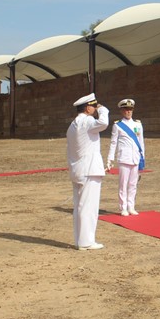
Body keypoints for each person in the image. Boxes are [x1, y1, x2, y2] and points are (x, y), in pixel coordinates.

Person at [66, 93, 109, 250]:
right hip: (89, 169)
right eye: (94, 106)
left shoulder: (72, 125)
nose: (95, 108)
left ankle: (80, 240)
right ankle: (86, 241)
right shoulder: (88, 121)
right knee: (89, 208)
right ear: (88, 107)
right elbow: (104, 123)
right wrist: (104, 109)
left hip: (78, 169)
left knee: (79, 207)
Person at [107, 98, 145, 216]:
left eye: (130, 109)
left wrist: (143, 157)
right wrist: (110, 159)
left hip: (135, 158)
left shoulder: (138, 124)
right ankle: (123, 207)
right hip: (124, 158)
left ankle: (131, 206)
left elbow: (141, 142)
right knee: (123, 184)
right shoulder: (118, 126)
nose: (128, 112)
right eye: (126, 109)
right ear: (122, 111)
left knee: (133, 184)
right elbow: (113, 143)